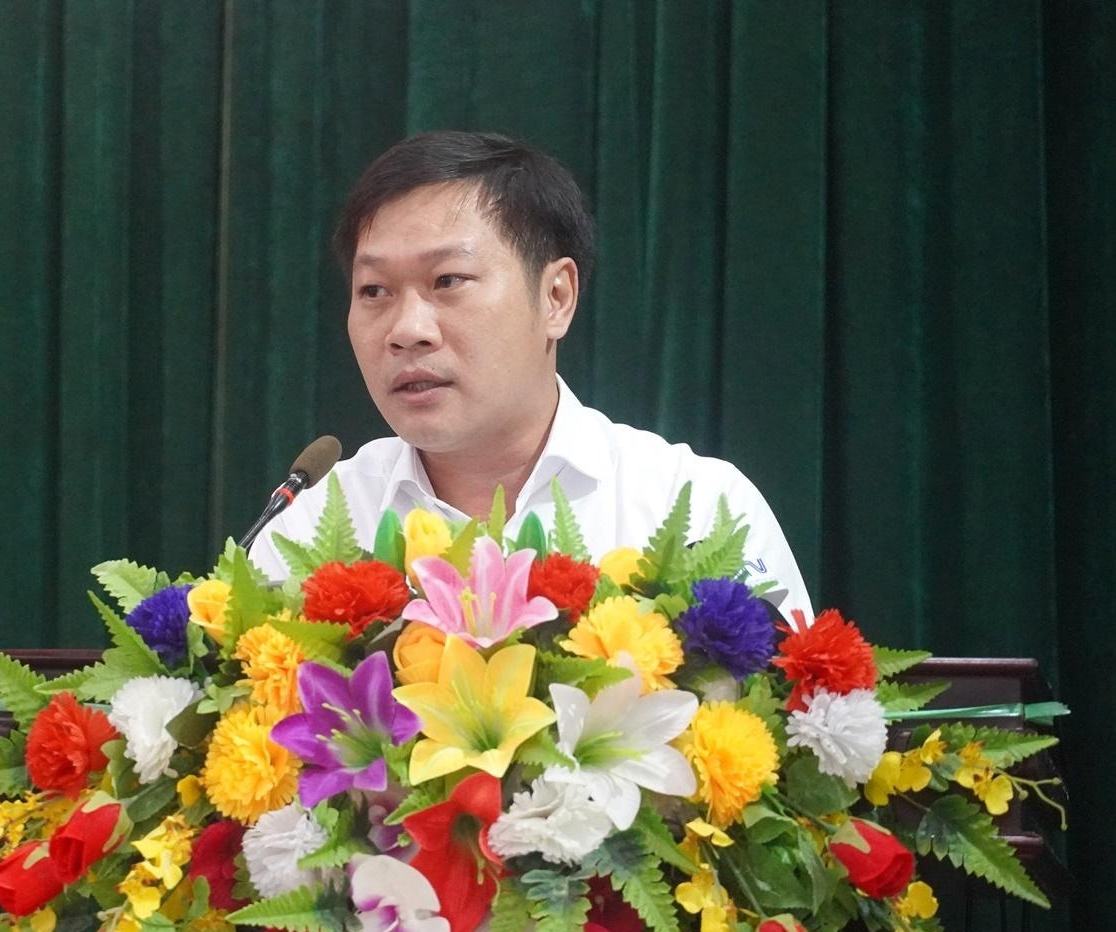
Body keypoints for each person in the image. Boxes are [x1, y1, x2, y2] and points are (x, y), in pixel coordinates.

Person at [250, 130, 813, 619]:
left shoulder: (697, 508)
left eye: (448, 280)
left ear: (556, 297)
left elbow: (793, 704)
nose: (408, 330)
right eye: (374, 290)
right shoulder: (307, 529)